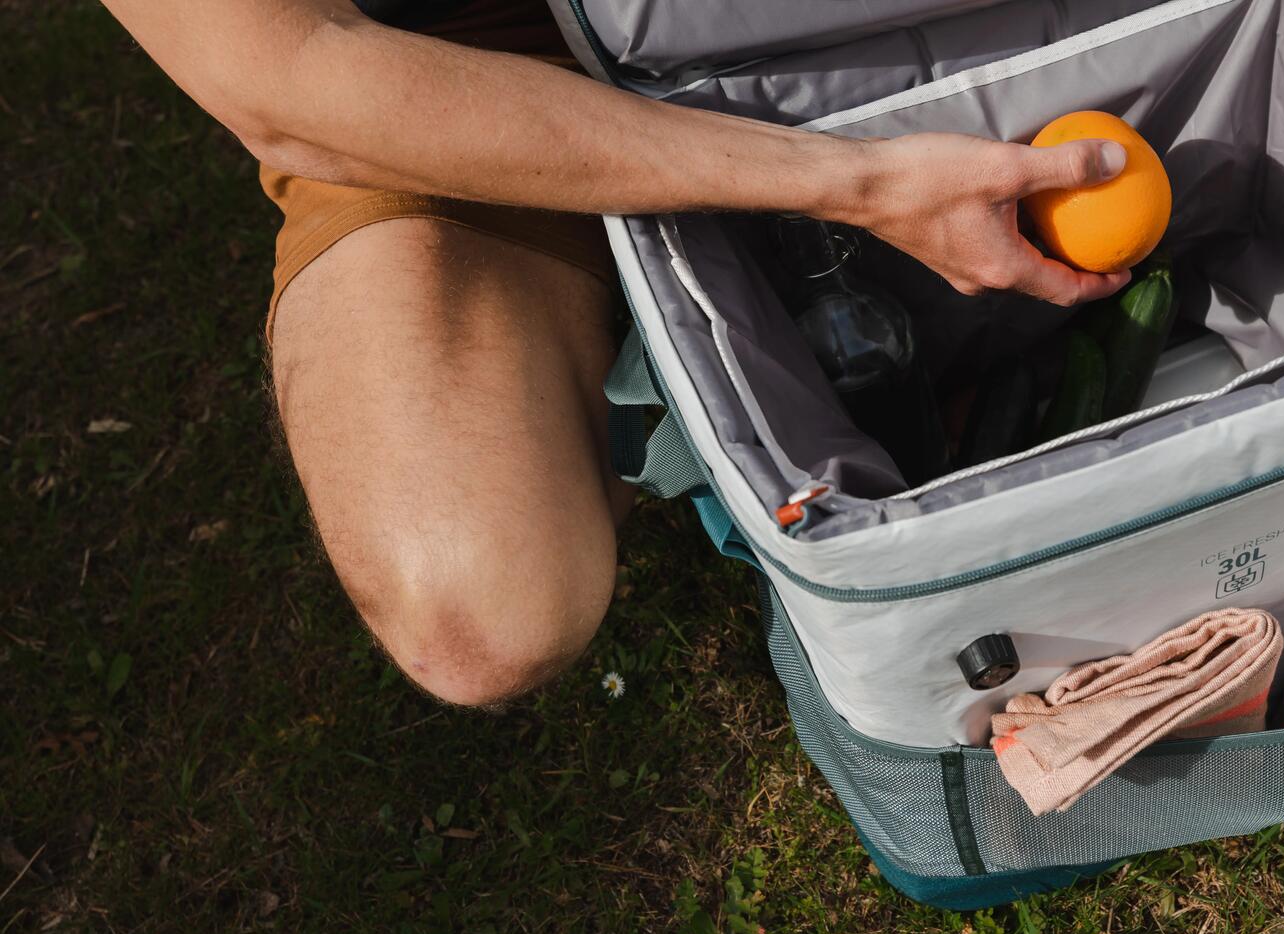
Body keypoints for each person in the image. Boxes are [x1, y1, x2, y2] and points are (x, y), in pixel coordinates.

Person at [103, 0, 1133, 707]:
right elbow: (290, 76)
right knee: (480, 610)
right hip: (463, 65)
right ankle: (671, 332)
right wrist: (846, 182)